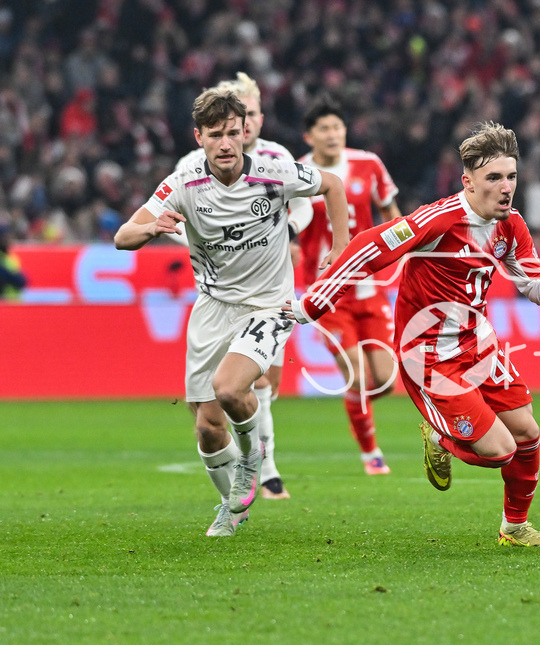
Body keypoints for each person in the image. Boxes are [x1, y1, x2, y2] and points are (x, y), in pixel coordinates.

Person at [287, 122, 540, 547]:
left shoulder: (511, 226)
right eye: (493, 177)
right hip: (430, 357)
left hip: (478, 345)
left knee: (527, 433)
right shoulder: (437, 220)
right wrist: (314, 302)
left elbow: (532, 282)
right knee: (500, 450)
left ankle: (514, 528)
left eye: (511, 176)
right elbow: (370, 246)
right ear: (469, 181)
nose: (505, 186)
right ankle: (439, 435)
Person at [115, 87, 349, 537]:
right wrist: (149, 228)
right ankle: (231, 506)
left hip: (268, 305)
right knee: (205, 427)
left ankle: (252, 462)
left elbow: (331, 185)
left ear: (246, 133)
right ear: (198, 137)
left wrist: (340, 244)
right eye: (216, 134)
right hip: (212, 306)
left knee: (229, 388)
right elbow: (123, 236)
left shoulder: (273, 173)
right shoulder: (182, 184)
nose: (226, 143)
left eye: (234, 133)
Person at [174, 72, 312, 500]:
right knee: (207, 412)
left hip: (268, 288)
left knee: (260, 383)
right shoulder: (191, 169)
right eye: (238, 117)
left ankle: (266, 472)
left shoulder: (276, 158)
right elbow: (178, 218)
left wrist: (284, 229)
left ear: (258, 118)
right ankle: (241, 485)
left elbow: (307, 203)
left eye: (250, 115)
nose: (245, 125)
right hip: (218, 292)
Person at [295, 96, 402, 475]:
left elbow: (389, 210)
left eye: (337, 126)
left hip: (370, 287)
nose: (332, 134)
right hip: (327, 292)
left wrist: (403, 246)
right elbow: (288, 226)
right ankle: (371, 454)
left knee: (386, 380)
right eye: (323, 128)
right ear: (309, 136)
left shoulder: (368, 163)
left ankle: (364, 418)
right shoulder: (297, 173)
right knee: (356, 375)